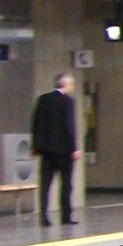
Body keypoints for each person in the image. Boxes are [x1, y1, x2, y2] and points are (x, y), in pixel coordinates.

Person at [31, 72, 79, 227]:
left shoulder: (43, 100)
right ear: (66, 85)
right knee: (66, 184)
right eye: (72, 84)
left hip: (46, 151)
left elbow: (36, 124)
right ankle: (66, 216)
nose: (72, 87)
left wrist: (35, 146)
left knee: (45, 185)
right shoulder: (68, 102)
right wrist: (74, 148)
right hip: (64, 152)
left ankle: (43, 216)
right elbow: (69, 126)